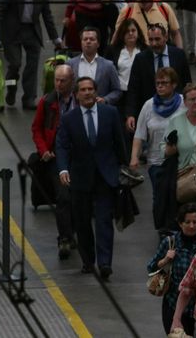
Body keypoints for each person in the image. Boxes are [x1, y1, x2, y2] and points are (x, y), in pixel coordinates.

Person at [56, 75, 128, 279]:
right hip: (80, 177)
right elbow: (61, 145)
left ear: (95, 92)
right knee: (82, 221)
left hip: (106, 176)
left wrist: (124, 166)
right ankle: (88, 261)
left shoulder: (110, 113)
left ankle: (105, 263)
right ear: (76, 95)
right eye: (83, 90)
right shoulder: (69, 119)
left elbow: (119, 141)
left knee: (104, 220)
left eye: (90, 89)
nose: (87, 93)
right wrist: (63, 169)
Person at [32, 63, 78, 259]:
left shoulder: (80, 100)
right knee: (63, 197)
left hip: (78, 157)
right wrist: (43, 150)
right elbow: (37, 129)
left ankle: (73, 233)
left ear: (72, 81)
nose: (58, 84)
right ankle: (64, 239)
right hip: (55, 158)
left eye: (63, 80)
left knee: (77, 198)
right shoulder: (47, 101)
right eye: (56, 80)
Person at [133, 65, 184, 232]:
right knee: (159, 199)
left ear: (174, 84)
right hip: (156, 162)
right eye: (157, 83)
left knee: (179, 196)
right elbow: (140, 134)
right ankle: (163, 231)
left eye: (164, 83)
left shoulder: (184, 103)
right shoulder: (148, 106)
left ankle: (179, 229)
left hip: (180, 161)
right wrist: (134, 157)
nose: (160, 86)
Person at [150, 202, 196, 335]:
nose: (191, 226)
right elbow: (151, 267)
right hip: (173, 303)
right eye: (187, 222)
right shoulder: (170, 242)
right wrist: (166, 260)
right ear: (180, 223)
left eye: (195, 222)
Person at [127, 23, 193, 127]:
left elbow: (187, 83)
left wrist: (190, 106)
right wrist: (130, 114)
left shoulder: (179, 55)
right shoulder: (141, 59)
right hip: (151, 111)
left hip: (177, 108)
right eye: (151, 40)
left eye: (157, 39)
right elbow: (133, 88)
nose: (154, 43)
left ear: (166, 37)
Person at [115, 0, 181, 47]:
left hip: (160, 52)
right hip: (136, 53)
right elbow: (117, 34)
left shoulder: (164, 8)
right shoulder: (127, 10)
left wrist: (180, 54)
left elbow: (175, 33)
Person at [69, 26, 123, 106]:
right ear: (81, 42)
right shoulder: (70, 64)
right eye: (85, 39)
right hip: (76, 110)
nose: (88, 41)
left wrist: (105, 99)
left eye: (92, 39)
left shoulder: (108, 66)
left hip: (100, 111)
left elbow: (117, 90)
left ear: (98, 44)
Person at [106, 12, 145, 97]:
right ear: (122, 34)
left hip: (141, 93)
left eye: (133, 30)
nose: (130, 33)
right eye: (127, 31)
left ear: (138, 33)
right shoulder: (113, 50)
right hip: (119, 94)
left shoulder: (145, 49)